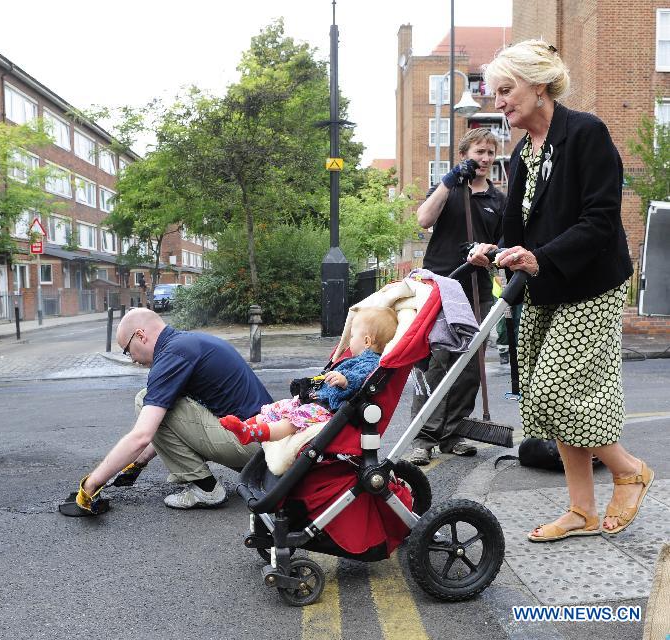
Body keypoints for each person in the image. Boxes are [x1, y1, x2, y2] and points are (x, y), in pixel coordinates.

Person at [470, 40, 652, 540]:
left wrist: (539, 257)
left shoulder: (586, 133)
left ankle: (628, 468)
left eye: (507, 90)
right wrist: (495, 249)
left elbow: (599, 220)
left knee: (556, 390)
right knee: (545, 399)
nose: (499, 102)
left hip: (592, 282)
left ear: (540, 85)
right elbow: (517, 229)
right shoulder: (525, 152)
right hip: (545, 284)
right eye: (495, 93)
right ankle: (582, 510)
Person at [73, 307, 273, 514]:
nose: (132, 359)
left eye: (127, 350)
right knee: (161, 402)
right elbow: (175, 423)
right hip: (265, 445)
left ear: (140, 336)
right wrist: (138, 462)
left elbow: (142, 435)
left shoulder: (171, 355)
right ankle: (209, 484)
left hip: (251, 445)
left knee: (145, 399)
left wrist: (91, 484)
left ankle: (206, 489)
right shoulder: (187, 343)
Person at [408, 128, 506, 465]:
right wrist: (449, 181)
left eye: (491, 153)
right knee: (437, 363)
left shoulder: (497, 200)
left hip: (477, 290)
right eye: (479, 152)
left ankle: (453, 434)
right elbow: (423, 219)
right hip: (441, 288)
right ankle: (423, 436)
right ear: (465, 154)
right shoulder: (448, 190)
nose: (486, 158)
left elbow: (504, 246)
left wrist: (487, 253)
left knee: (469, 369)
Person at [220, 307, 398, 444]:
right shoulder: (359, 358)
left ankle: (251, 434)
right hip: (318, 400)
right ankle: (246, 425)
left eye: (352, 336)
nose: (349, 341)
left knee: (294, 419)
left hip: (329, 410)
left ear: (367, 341)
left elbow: (362, 378)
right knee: (281, 406)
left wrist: (345, 380)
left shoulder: (371, 362)